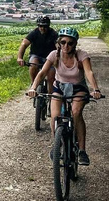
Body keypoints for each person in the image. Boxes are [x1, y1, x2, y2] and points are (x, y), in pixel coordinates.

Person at [26, 27, 102, 165]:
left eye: (70, 43)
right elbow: (42, 72)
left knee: (76, 112)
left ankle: (82, 151)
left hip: (78, 88)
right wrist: (33, 87)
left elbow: (89, 72)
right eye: (63, 42)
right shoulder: (54, 55)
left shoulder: (81, 56)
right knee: (55, 116)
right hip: (59, 87)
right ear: (59, 43)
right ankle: (57, 145)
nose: (66, 46)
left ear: (75, 44)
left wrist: (95, 89)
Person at [16, 15, 58, 96]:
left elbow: (58, 47)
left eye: (45, 26)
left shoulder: (53, 34)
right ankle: (33, 84)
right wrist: (19, 58)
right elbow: (24, 44)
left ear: (48, 26)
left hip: (49, 58)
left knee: (51, 76)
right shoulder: (34, 33)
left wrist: (59, 59)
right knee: (33, 64)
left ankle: (51, 96)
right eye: (40, 26)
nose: (42, 28)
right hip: (36, 55)